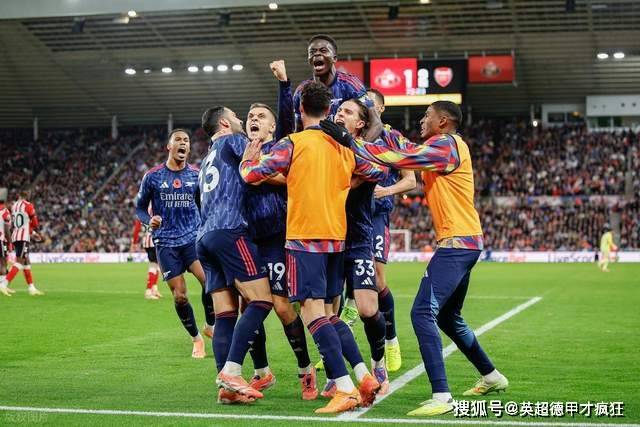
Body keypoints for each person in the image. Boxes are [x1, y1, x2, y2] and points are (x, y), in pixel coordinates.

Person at [320, 101, 509, 416]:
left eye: (427, 116)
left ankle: (442, 396)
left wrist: (350, 141)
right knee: (448, 318)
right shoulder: (446, 146)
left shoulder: (446, 145)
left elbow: (401, 157)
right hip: (463, 240)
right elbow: (405, 147)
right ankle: (491, 376)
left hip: (457, 243)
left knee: (422, 313)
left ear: (443, 121)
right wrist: (384, 126)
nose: (422, 120)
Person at [240, 81, 385, 414]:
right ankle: (364, 377)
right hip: (337, 238)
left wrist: (247, 159)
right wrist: (349, 174)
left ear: (300, 109)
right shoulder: (343, 146)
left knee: (311, 313)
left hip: (305, 238)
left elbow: (252, 175)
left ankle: (344, 388)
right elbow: (377, 169)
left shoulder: (293, 143)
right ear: (329, 110)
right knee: (330, 315)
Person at [240, 60, 318, 400]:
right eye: (250, 116)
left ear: (273, 126)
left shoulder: (281, 148)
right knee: (250, 307)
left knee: (283, 307)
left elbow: (287, 117)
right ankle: (262, 372)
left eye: (261, 116)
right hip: (248, 240)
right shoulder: (239, 151)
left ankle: (305, 370)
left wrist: (284, 84)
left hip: (275, 239)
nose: (254, 119)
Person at [198, 106, 274, 404]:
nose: (244, 121)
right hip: (230, 230)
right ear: (225, 123)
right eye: (237, 117)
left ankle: (226, 389)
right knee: (261, 300)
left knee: (225, 315)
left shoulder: (207, 158)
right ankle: (232, 371)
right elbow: (263, 165)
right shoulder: (233, 141)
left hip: (204, 237)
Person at [340, 88, 416, 373]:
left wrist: (386, 191)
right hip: (344, 215)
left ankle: (391, 339)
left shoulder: (392, 137)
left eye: (370, 104)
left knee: (378, 279)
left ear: (380, 110)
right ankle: (341, 337)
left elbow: (410, 180)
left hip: (375, 217)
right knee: (338, 284)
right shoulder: (345, 137)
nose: (366, 106)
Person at [320, 98, 391, 397]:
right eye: (339, 110)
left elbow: (358, 178)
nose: (340, 114)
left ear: (360, 124)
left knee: (367, 309)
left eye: (348, 112)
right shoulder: (325, 148)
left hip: (359, 239)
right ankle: (336, 373)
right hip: (329, 238)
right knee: (327, 312)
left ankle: (378, 360)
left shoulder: (367, 150)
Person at [135, 129, 215, 359]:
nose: (183, 143)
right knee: (180, 296)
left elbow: (205, 205)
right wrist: (149, 220)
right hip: (166, 243)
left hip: (193, 239)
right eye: (178, 140)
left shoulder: (197, 175)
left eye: (186, 140)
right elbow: (140, 208)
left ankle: (210, 325)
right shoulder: (153, 176)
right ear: (169, 147)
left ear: (188, 148)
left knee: (209, 282)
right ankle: (196, 339)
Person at [293, 34, 381, 140]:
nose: (316, 54)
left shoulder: (351, 85)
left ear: (334, 58)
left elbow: (376, 124)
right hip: (316, 145)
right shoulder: (301, 91)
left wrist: (358, 146)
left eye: (323, 50)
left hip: (345, 146)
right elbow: (298, 129)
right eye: (312, 52)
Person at [0, 191, 45, 296]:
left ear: (19, 196)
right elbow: (34, 222)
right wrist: (38, 232)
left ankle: (31, 288)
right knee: (20, 262)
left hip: (15, 236)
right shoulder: (28, 205)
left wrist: (33, 233)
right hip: (23, 237)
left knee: (26, 262)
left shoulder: (14, 206)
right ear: (27, 196)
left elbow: (19, 223)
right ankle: (3, 284)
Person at [131, 217, 162, 300]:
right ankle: (148, 291)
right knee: (154, 265)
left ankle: (154, 289)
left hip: (147, 242)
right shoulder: (157, 213)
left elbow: (137, 229)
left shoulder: (142, 214)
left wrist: (134, 242)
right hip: (154, 242)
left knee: (158, 265)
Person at [0, 198, 12, 295]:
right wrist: (10, 242)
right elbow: (6, 228)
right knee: (3, 263)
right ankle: (3, 287)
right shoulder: (5, 212)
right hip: (1, 240)